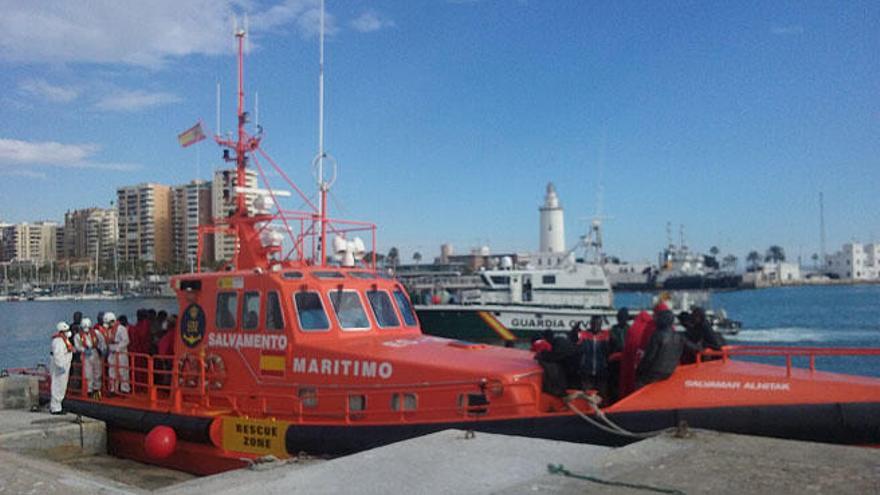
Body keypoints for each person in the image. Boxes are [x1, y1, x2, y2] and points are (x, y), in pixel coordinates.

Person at [636, 310, 702, 388]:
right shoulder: (679, 336)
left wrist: (639, 370)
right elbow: (697, 349)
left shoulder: (657, 335)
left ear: (662, 320)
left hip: (654, 373)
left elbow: (649, 357)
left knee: (639, 383)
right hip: (670, 372)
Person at [618, 311, 654, 398]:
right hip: (648, 368)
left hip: (631, 364)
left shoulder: (633, 329)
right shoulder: (652, 328)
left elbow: (627, 348)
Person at [578, 316, 610, 399]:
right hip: (587, 371)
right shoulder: (583, 335)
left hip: (601, 370)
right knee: (587, 396)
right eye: (594, 323)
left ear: (601, 325)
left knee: (602, 396)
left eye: (598, 324)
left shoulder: (606, 335)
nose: (595, 326)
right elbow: (576, 346)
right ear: (590, 324)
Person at [72, 316, 102, 398]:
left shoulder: (96, 333)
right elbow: (77, 346)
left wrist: (101, 349)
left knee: (97, 371)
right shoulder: (77, 336)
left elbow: (101, 341)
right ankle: (89, 390)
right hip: (86, 355)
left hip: (95, 352)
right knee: (88, 373)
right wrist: (83, 350)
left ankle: (97, 389)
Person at [49, 322, 75, 414]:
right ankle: (55, 408)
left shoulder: (65, 339)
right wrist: (60, 366)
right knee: (58, 385)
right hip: (60, 366)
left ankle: (58, 406)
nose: (68, 332)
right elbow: (57, 355)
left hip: (65, 365)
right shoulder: (58, 341)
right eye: (66, 330)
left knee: (62, 385)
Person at [104, 312, 130, 394]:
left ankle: (125, 389)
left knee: (123, 371)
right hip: (112, 352)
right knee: (112, 371)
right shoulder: (109, 330)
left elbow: (126, 340)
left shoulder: (121, 328)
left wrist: (118, 348)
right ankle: (113, 389)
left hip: (121, 353)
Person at [607, 308, 630, 401]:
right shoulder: (613, 329)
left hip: (626, 362)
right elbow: (610, 345)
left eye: (624, 317)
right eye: (620, 317)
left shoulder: (630, 329)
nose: (621, 319)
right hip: (614, 362)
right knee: (613, 385)